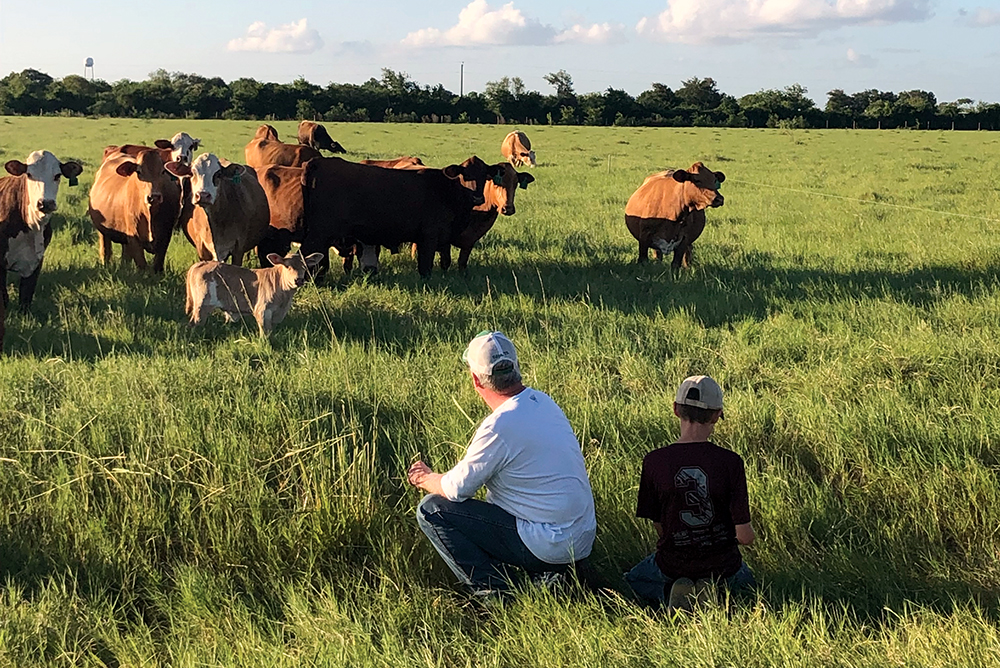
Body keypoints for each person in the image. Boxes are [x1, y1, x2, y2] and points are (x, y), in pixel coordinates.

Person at [407, 331, 597, 597]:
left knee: (432, 510)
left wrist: (423, 478)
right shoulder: (543, 402)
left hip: (548, 543)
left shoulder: (500, 425)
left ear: (475, 379)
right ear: (517, 368)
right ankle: (552, 579)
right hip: (582, 538)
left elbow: (457, 488)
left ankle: (497, 595)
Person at [624, 375, 756, 610]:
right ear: (717, 415)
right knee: (750, 590)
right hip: (724, 564)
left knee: (633, 580)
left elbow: (659, 525)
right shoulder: (731, 462)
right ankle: (716, 591)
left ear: (676, 409)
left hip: (674, 564)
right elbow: (745, 537)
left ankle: (670, 591)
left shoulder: (654, 462)